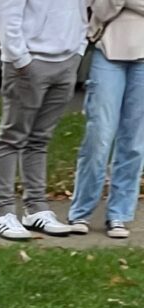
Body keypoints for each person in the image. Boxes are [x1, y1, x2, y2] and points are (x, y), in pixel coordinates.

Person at [0, 0, 88, 239]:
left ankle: (36, 208)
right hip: (28, 64)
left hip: (66, 62)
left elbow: (82, 11)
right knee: (12, 137)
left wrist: (78, 50)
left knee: (40, 139)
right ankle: (1, 212)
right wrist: (21, 59)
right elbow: (6, 16)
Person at [67, 0, 144, 238]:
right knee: (99, 135)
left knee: (134, 142)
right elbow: (100, 9)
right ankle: (81, 211)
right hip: (107, 51)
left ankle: (119, 213)